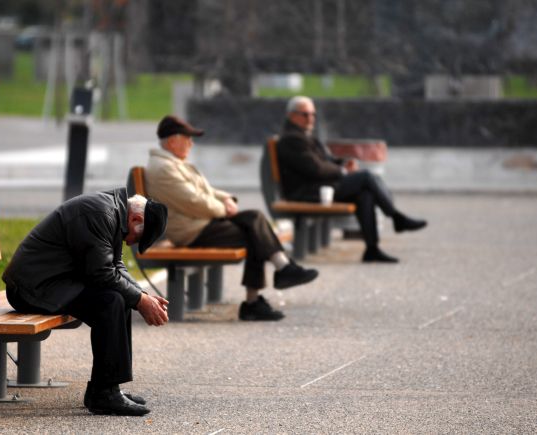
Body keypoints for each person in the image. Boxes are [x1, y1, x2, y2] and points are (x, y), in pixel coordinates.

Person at [3, 188, 168, 416]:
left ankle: (109, 388)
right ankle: (104, 393)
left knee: (121, 297)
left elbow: (115, 267)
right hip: (32, 288)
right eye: (137, 238)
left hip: (56, 282)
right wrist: (140, 299)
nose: (131, 243)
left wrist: (142, 295)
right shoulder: (100, 214)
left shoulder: (114, 212)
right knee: (111, 301)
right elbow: (101, 273)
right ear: (136, 218)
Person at [144, 115, 319, 322]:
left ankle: (278, 275)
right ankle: (263, 291)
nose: (191, 143)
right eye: (187, 138)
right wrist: (224, 210)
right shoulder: (164, 168)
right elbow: (193, 201)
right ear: (172, 141)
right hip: (190, 232)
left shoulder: (172, 163)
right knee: (255, 233)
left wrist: (226, 198)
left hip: (199, 224)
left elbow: (205, 192)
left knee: (254, 220)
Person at [277, 96, 427, 263]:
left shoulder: (303, 136)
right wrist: (342, 171)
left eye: (313, 114)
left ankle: (372, 249)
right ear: (291, 115)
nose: (310, 118)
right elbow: (315, 169)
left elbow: (325, 160)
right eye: (305, 114)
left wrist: (343, 162)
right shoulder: (292, 139)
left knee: (365, 194)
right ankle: (396, 217)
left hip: (319, 188)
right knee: (366, 177)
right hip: (307, 192)